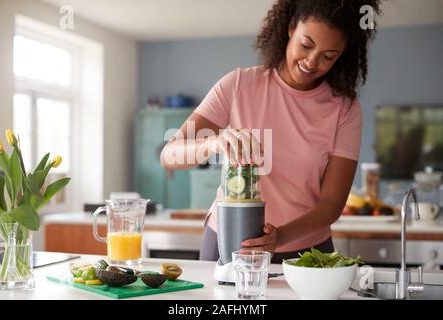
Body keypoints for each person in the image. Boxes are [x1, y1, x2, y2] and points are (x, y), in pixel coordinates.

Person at [160, 0, 381, 263]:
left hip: (306, 252)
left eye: (328, 56)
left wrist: (280, 237)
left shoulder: (344, 109)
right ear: (290, 28)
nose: (312, 62)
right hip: (230, 240)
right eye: (306, 45)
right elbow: (169, 156)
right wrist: (212, 144)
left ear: (342, 54)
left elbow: (332, 204)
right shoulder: (239, 85)